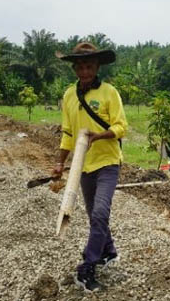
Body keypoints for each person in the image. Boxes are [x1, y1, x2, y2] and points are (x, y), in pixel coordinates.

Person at [51, 42, 128, 293]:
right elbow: (68, 133)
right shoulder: (68, 95)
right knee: (93, 213)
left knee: (99, 213)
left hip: (108, 162)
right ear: (75, 69)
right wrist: (60, 162)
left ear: (97, 67)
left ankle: (87, 267)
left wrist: (100, 135)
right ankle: (109, 251)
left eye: (90, 67)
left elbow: (121, 127)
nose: (85, 72)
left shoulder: (109, 93)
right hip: (82, 166)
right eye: (81, 67)